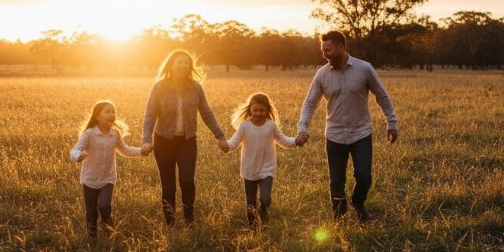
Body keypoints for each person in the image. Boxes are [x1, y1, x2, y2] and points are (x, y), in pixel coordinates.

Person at [296, 31, 398, 222]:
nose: (324, 54)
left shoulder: (364, 69)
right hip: (334, 135)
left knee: (364, 176)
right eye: (322, 50)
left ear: (341, 47)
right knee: (336, 181)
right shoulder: (322, 74)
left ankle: (358, 203)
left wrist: (391, 123)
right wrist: (303, 127)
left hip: (361, 133)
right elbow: (310, 103)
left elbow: (382, 96)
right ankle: (339, 218)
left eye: (328, 50)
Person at [141, 50, 229, 226]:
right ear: (171, 65)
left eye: (186, 63)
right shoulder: (160, 87)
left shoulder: (195, 87)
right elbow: (150, 115)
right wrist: (146, 139)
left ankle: (189, 219)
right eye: (179, 62)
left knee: (187, 181)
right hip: (163, 141)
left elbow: (206, 112)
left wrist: (220, 136)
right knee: (168, 185)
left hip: (187, 141)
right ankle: (170, 222)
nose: (183, 65)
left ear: (190, 66)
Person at [221, 92, 298, 228]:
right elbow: (233, 142)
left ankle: (264, 209)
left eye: (262, 110)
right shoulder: (244, 126)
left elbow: (284, 141)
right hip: (249, 170)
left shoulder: (271, 126)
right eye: (255, 110)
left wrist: (297, 141)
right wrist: (226, 146)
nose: (258, 113)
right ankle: (253, 226)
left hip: (266, 169)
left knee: (265, 198)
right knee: (250, 202)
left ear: (267, 110)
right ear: (250, 109)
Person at [70, 101, 143, 238]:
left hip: (107, 178)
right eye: (107, 111)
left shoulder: (115, 134)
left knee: (104, 205)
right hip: (89, 179)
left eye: (113, 112)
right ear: (97, 116)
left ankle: (109, 232)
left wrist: (142, 151)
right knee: (91, 212)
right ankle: (93, 239)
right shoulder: (89, 134)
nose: (112, 114)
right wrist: (77, 156)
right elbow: (75, 149)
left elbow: (124, 150)